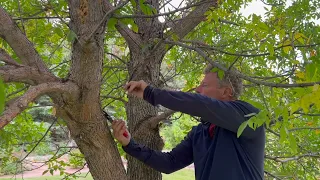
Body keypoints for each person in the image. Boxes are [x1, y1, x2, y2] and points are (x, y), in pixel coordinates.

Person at [112, 65, 265, 180]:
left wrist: (150, 93)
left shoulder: (249, 117)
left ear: (226, 92)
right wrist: (129, 144)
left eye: (204, 85)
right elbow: (169, 162)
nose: (197, 89)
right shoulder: (200, 132)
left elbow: (200, 104)